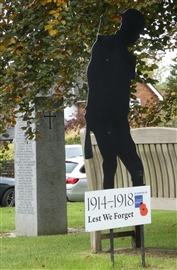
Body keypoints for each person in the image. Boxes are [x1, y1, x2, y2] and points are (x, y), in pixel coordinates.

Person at [84, 9, 145, 189]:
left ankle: (121, 206)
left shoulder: (108, 47)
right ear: (130, 28)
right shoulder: (109, 48)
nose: (137, 38)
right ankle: (132, 205)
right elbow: (99, 82)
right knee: (127, 162)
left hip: (107, 117)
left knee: (111, 162)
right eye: (138, 32)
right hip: (109, 117)